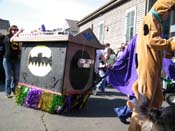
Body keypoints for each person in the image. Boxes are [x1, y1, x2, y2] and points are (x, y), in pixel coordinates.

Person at [129, 0, 175, 130]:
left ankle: (153, 127)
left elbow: (156, 46)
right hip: (148, 67)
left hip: (154, 68)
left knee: (157, 100)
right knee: (145, 103)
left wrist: (168, 53)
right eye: (169, 11)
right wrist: (171, 44)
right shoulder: (150, 18)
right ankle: (135, 129)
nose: (169, 15)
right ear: (163, 8)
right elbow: (152, 40)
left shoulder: (157, 22)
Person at [3, 25, 21, 98]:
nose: (15, 31)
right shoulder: (7, 37)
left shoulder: (18, 38)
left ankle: (14, 90)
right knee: (8, 77)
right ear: (10, 30)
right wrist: (19, 32)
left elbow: (20, 48)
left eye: (16, 29)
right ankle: (8, 92)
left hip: (16, 60)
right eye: (13, 29)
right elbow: (11, 40)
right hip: (7, 60)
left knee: (16, 77)